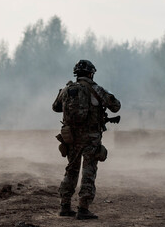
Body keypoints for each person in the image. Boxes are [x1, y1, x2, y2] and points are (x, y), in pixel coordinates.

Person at [52, 60, 121, 220]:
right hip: (91, 137)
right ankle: (83, 208)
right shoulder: (96, 89)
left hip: (71, 136)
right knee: (88, 171)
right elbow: (116, 106)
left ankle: (65, 206)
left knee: (71, 169)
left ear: (76, 74)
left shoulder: (67, 89)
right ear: (91, 74)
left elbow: (55, 107)